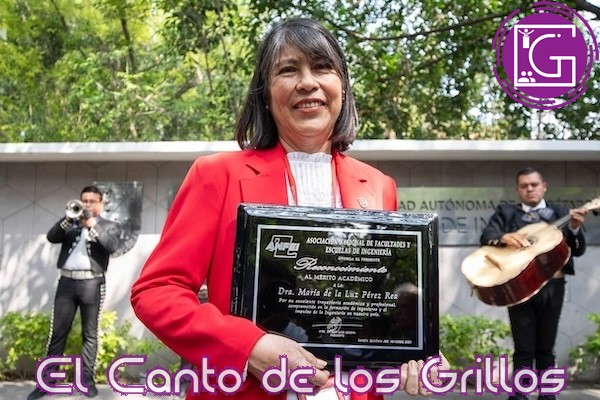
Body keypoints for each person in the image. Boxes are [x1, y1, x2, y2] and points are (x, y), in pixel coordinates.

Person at [131, 17, 447, 400]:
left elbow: (373, 309)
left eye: (322, 67)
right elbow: (157, 291)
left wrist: (412, 349)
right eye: (288, 70)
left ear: (343, 87)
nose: (308, 82)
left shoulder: (379, 186)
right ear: (265, 94)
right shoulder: (216, 175)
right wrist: (248, 347)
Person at [479, 167, 588, 400]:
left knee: (546, 347)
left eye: (534, 184)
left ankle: (548, 395)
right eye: (524, 186)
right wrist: (503, 237)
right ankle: (520, 395)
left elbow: (577, 250)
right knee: (524, 347)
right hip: (519, 288)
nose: (530, 189)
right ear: (518, 190)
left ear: (544, 186)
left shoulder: (560, 212)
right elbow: (487, 235)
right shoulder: (507, 212)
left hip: (553, 286)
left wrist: (574, 228)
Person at [28, 185, 122, 400]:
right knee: (57, 333)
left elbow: (111, 246)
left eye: (91, 201)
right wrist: (68, 218)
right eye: (84, 201)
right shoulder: (70, 223)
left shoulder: (109, 226)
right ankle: (47, 381)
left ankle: (87, 381)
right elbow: (52, 237)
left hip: (92, 283)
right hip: (67, 282)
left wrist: (91, 224)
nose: (86, 205)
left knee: (90, 334)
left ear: (100, 204)